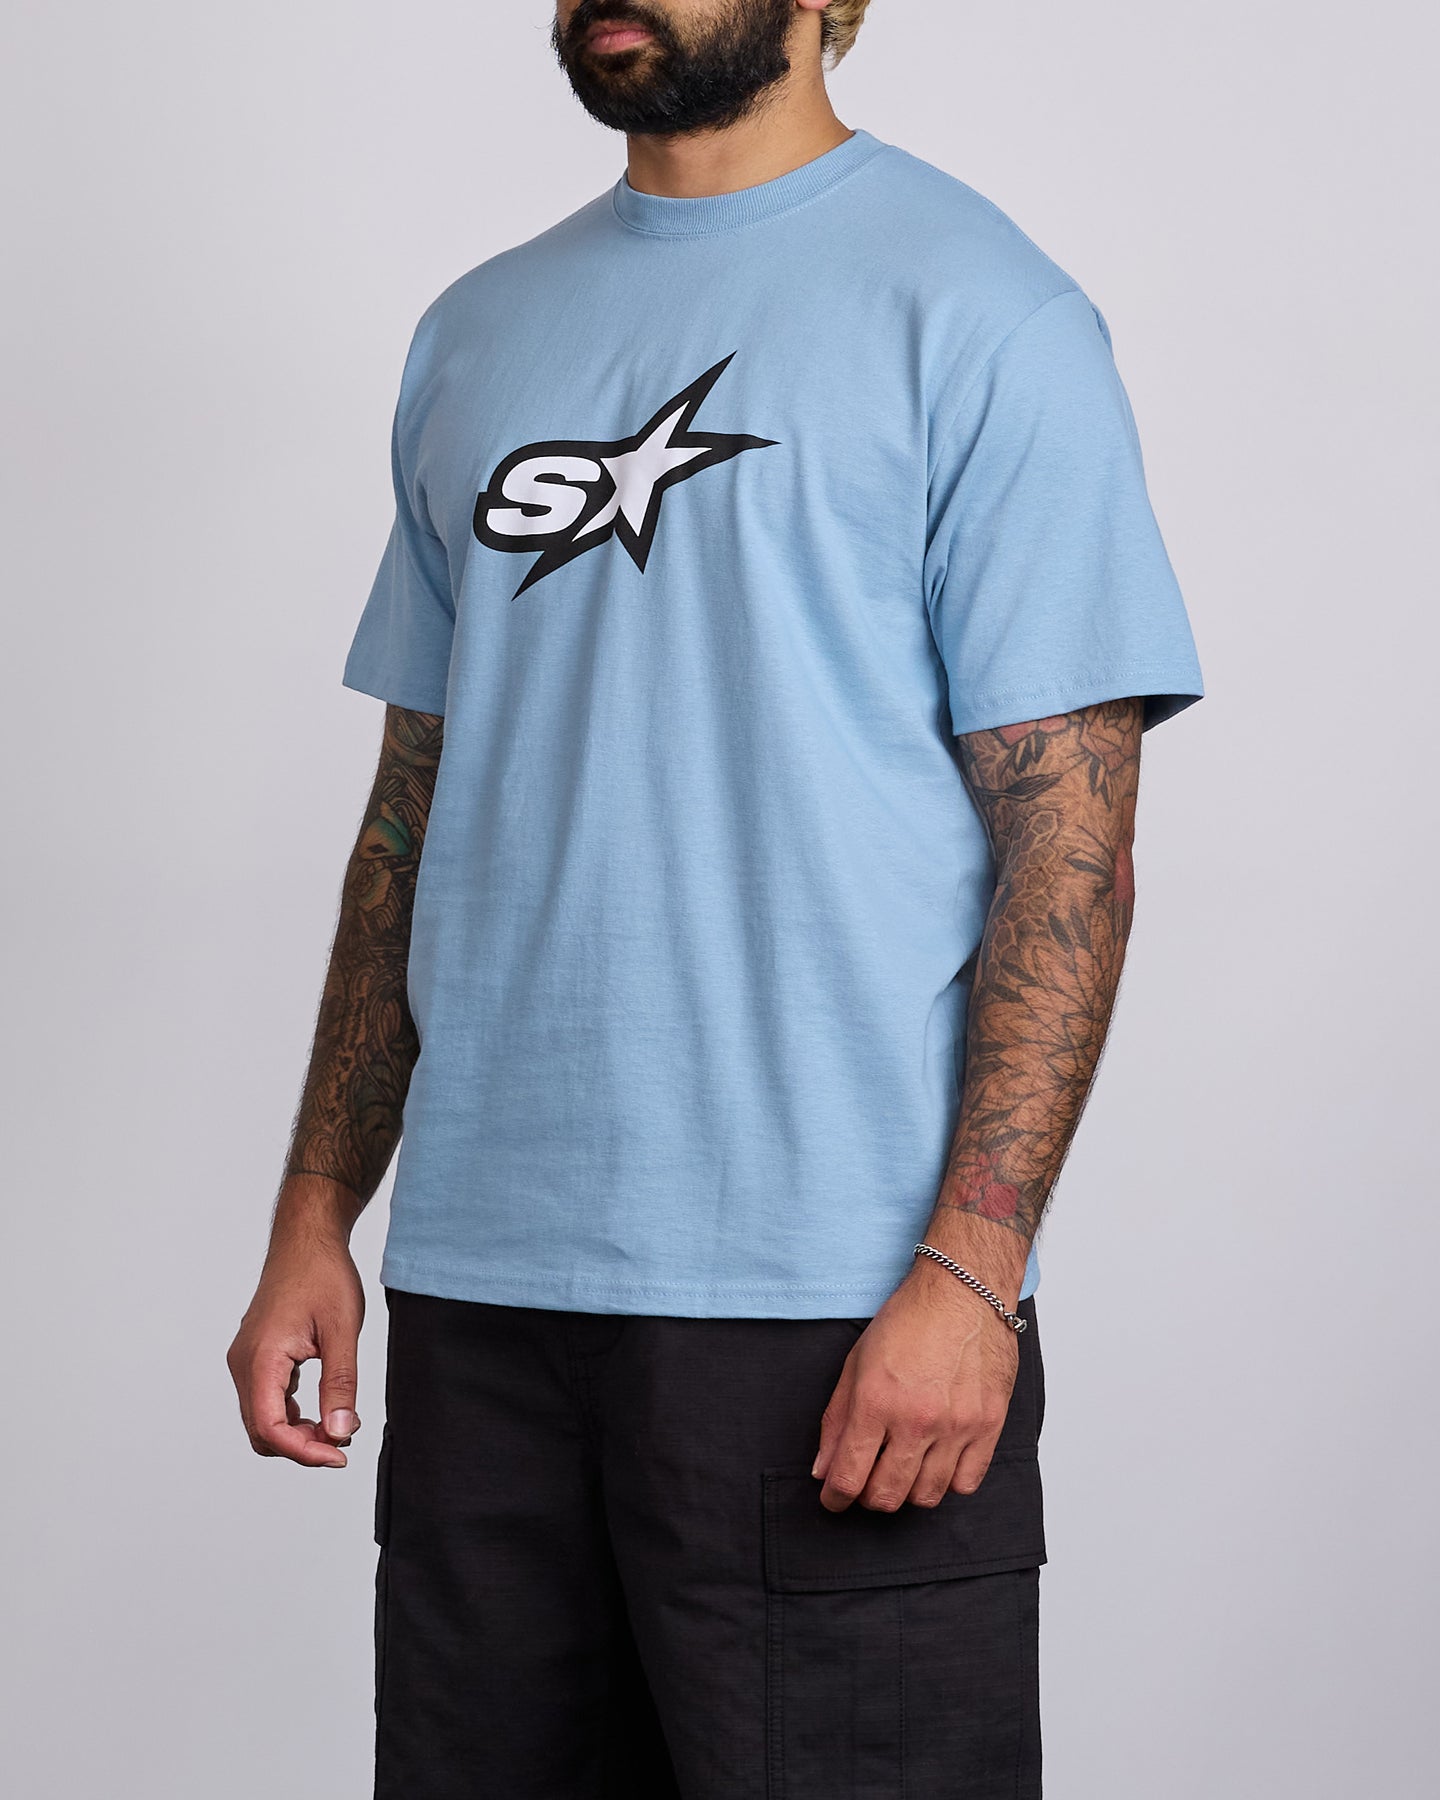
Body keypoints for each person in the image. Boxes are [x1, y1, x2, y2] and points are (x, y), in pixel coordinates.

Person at [226, 3, 1204, 1793]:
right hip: (486, 1303)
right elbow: (411, 818)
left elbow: (1073, 850)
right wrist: (316, 1211)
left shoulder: (984, 313)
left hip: (831, 1307)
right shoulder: (477, 330)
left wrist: (972, 1275)